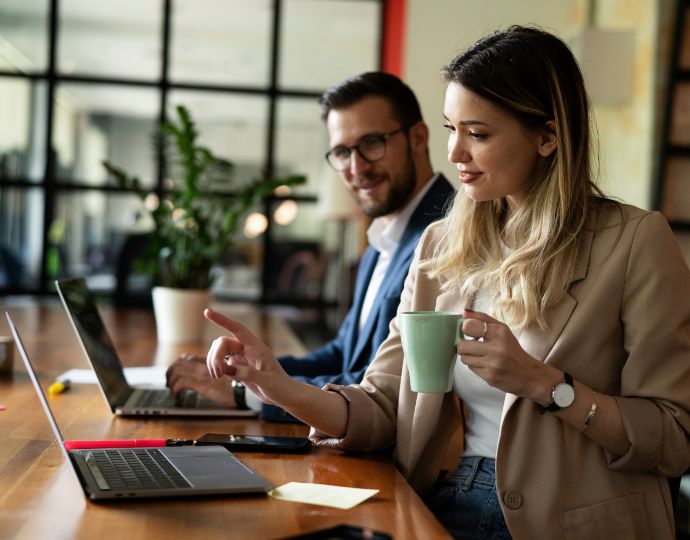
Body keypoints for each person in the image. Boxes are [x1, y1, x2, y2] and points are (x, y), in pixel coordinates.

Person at [203, 25, 690, 539]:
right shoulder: (441, 243)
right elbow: (384, 403)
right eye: (450, 128)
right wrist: (277, 386)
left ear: (547, 136)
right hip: (441, 498)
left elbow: (675, 437)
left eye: (477, 134)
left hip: (567, 523)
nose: (455, 153)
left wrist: (546, 385)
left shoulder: (635, 242)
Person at [166, 72, 455, 422]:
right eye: (342, 151)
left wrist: (251, 394)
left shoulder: (446, 235)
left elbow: (378, 388)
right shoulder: (384, 234)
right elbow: (342, 355)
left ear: (419, 138)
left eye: (373, 143)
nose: (357, 167)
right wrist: (246, 371)